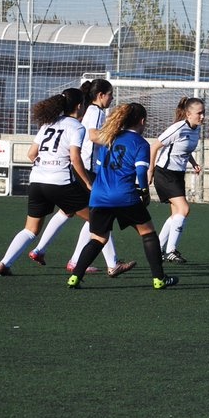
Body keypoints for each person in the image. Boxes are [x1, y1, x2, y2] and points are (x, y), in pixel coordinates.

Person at [67, 102, 176, 290]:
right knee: (148, 233)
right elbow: (141, 172)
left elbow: (100, 167)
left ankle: (75, 277)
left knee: (98, 239)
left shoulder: (109, 139)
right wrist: (144, 192)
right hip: (124, 196)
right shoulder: (140, 143)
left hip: (100, 196)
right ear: (142, 121)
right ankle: (159, 279)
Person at [0, 89, 92, 276]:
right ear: (80, 106)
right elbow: (75, 158)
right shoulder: (77, 127)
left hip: (37, 181)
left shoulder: (48, 124)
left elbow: (31, 154)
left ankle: (4, 264)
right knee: (98, 220)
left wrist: (46, 164)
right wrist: (88, 183)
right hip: (61, 182)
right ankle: (79, 264)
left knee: (30, 230)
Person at [64, 78, 134, 277]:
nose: (112, 98)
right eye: (110, 94)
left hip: (88, 168)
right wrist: (117, 138)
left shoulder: (95, 111)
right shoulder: (95, 112)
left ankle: (76, 260)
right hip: (87, 169)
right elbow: (94, 135)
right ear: (101, 95)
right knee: (101, 216)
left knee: (94, 217)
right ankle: (111, 264)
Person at [148, 96, 206, 264]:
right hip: (164, 173)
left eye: (204, 113)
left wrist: (194, 163)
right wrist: (150, 171)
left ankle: (157, 247)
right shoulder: (178, 128)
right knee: (184, 209)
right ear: (188, 114)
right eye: (199, 113)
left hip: (178, 175)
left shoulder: (196, 129)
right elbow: (154, 146)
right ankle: (171, 251)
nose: (202, 117)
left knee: (176, 214)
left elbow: (184, 150)